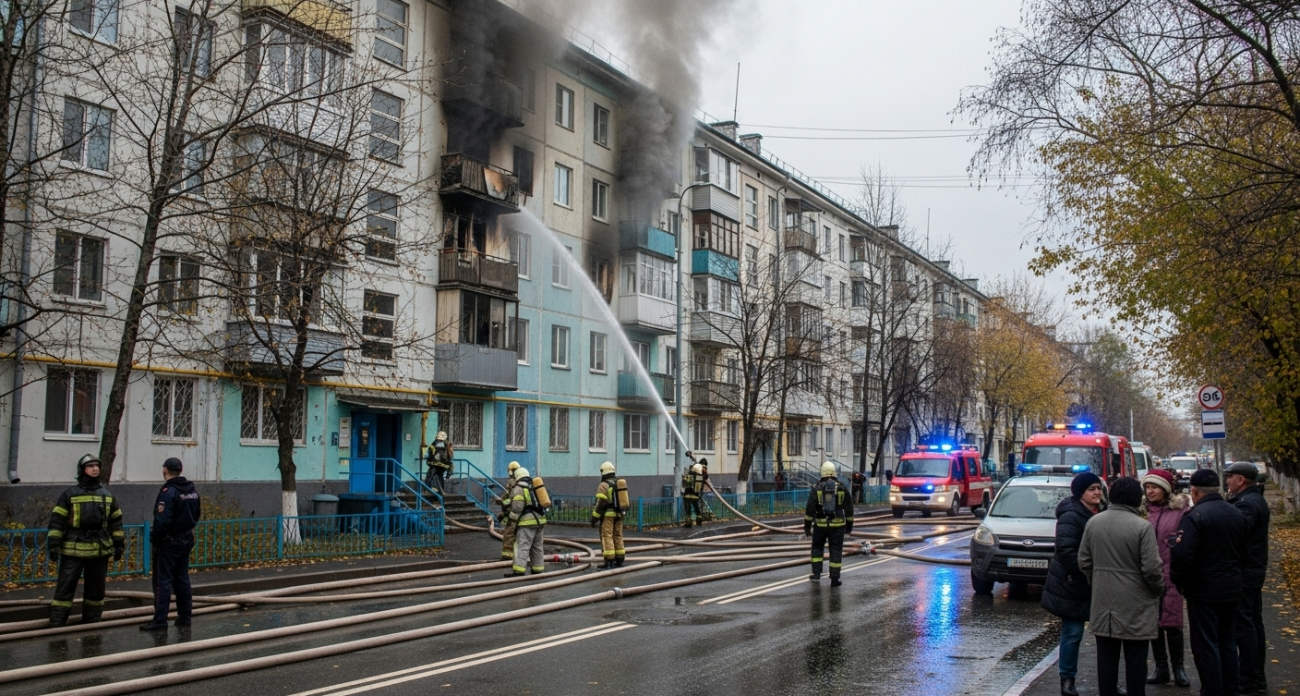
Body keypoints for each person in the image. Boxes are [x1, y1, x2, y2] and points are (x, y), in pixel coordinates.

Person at [1079, 477, 1165, 696]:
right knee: (1136, 659)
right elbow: (1152, 568)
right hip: (1136, 603)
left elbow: (1084, 561)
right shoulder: (1142, 527)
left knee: (1106, 659)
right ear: (1137, 498)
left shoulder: (1094, 522)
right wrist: (1158, 590)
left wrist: (1097, 580)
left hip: (1103, 603)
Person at [1171, 469, 1247, 696]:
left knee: (1206, 645)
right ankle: (1231, 689)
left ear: (1194, 491)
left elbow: (1183, 556)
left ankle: (1212, 690)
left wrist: (1180, 582)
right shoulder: (1236, 513)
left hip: (1203, 591)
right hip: (1232, 588)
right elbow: (1244, 552)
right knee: (1227, 642)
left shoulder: (1195, 517)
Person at [1042, 471, 1104, 696]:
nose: (1097, 492)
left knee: (1106, 636)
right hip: (1074, 583)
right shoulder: (1071, 515)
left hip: (1094, 583)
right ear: (1080, 493)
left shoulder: (1099, 512)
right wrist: (1090, 569)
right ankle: (1067, 681)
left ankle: (1108, 680)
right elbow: (1067, 552)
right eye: (1092, 489)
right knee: (1073, 632)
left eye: (1098, 488)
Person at [47, 455, 125, 626]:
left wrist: (119, 544)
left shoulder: (107, 494)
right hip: (73, 549)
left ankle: (92, 623)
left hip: (99, 550)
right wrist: (53, 544)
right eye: (91, 466)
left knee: (96, 589)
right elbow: (57, 521)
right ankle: (57, 623)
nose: (95, 469)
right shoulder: (70, 494)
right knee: (65, 587)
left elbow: (116, 522)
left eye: (97, 466)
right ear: (83, 470)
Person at [1141, 468, 1191, 687]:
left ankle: (1179, 668)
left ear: (1166, 489)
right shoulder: (1142, 511)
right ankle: (1161, 669)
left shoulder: (1181, 511)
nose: (1150, 491)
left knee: (1173, 622)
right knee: (1154, 624)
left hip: (1172, 575)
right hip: (1147, 576)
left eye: (1155, 487)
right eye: (1147, 487)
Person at [140, 458, 202, 631]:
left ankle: (160, 621)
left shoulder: (168, 492)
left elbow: (162, 520)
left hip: (169, 541)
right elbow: (196, 514)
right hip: (186, 538)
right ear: (180, 470)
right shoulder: (191, 490)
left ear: (165, 470)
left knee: (163, 582)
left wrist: (156, 538)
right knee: (182, 579)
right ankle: (185, 617)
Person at [1226, 462, 1270, 695]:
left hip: (1245, 571)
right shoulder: (1251, 500)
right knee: (1253, 623)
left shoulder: (1248, 504)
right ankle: (1256, 677)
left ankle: (1249, 680)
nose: (1227, 481)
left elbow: (1236, 531)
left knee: (1245, 627)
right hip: (1252, 569)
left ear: (1241, 479)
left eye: (1229, 477)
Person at [803, 461, 854, 587]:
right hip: (838, 526)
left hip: (820, 526)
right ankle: (835, 578)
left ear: (822, 473)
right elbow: (849, 508)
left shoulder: (816, 488)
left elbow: (810, 508)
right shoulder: (842, 487)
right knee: (836, 550)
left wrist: (807, 527)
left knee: (817, 549)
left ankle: (816, 574)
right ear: (833, 472)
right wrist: (849, 526)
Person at [505, 467, 546, 577]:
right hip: (540, 520)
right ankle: (537, 568)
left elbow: (517, 508)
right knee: (537, 546)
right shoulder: (534, 485)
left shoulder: (519, 488)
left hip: (527, 522)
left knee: (522, 545)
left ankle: (519, 570)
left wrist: (510, 519)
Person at [590, 461, 625, 569]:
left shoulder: (604, 485)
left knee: (607, 536)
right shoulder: (619, 483)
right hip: (619, 514)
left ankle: (609, 561)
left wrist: (594, 517)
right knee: (618, 535)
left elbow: (601, 502)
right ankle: (619, 558)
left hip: (608, 515)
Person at [497, 461, 521, 562]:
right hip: (518, 514)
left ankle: (508, 557)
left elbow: (510, 501)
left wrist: (502, 503)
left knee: (509, 536)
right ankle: (514, 556)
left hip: (513, 515)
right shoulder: (521, 482)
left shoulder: (513, 483)